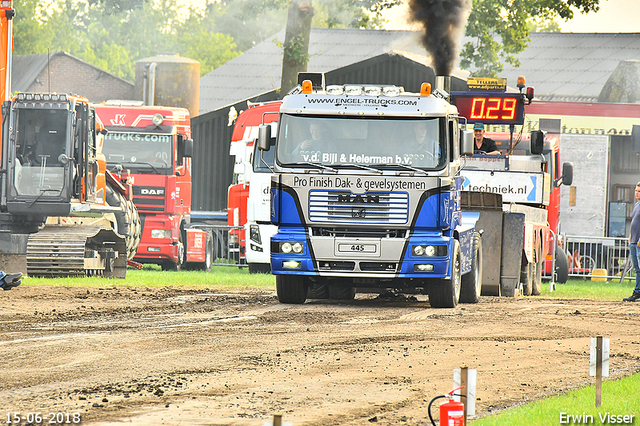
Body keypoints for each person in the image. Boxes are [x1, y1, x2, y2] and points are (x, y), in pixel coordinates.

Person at [624, 182, 640, 302]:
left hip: (639, 242)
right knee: (637, 268)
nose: (637, 193)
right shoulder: (636, 205)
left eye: (639, 191)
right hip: (633, 242)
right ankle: (637, 291)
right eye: (636, 191)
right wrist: (631, 236)